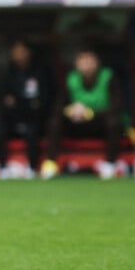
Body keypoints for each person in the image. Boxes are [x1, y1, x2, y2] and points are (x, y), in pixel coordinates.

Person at [41, 45, 123, 179]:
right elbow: (57, 107)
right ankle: (50, 163)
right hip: (76, 123)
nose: (87, 66)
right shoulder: (70, 79)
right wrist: (71, 110)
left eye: (90, 61)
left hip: (99, 124)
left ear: (97, 63)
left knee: (113, 122)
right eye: (83, 61)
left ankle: (110, 164)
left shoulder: (108, 77)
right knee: (54, 122)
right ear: (76, 64)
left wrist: (89, 113)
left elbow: (116, 106)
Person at [0, 39, 53, 176]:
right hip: (12, 117)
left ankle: (32, 168)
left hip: (33, 117)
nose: (19, 55)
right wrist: (25, 102)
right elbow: (3, 99)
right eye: (16, 51)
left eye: (22, 51)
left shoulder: (40, 72)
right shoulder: (7, 73)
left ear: (29, 53)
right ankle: (2, 168)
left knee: (35, 129)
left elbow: (42, 100)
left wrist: (20, 102)